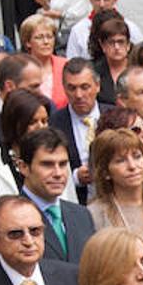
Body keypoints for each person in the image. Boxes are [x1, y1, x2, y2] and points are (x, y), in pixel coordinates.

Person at [17, 126, 97, 264]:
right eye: (47, 165)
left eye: (63, 164)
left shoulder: (82, 215)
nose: (58, 173)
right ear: (24, 167)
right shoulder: (8, 218)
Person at [52, 58, 111, 206]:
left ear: (97, 86)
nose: (78, 95)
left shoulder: (114, 115)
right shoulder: (54, 124)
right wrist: (76, 177)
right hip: (76, 203)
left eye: (85, 87)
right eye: (72, 88)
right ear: (64, 88)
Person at [0, 86, 52, 198]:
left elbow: (69, 204)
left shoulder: (57, 154)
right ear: (14, 124)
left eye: (44, 121)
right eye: (32, 122)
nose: (41, 127)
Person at [65, 0, 143, 61]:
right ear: (90, 0)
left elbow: (141, 57)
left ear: (115, 0)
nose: (101, 4)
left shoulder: (130, 28)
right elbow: (72, 61)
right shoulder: (78, 30)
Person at [19, 13, 66, 110]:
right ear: (28, 42)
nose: (46, 42)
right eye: (39, 37)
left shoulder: (66, 65)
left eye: (49, 37)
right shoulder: (20, 68)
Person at [90, 11, 132, 106]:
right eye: (111, 42)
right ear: (103, 45)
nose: (116, 47)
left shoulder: (139, 69)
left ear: (128, 45)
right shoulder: (93, 71)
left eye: (121, 42)